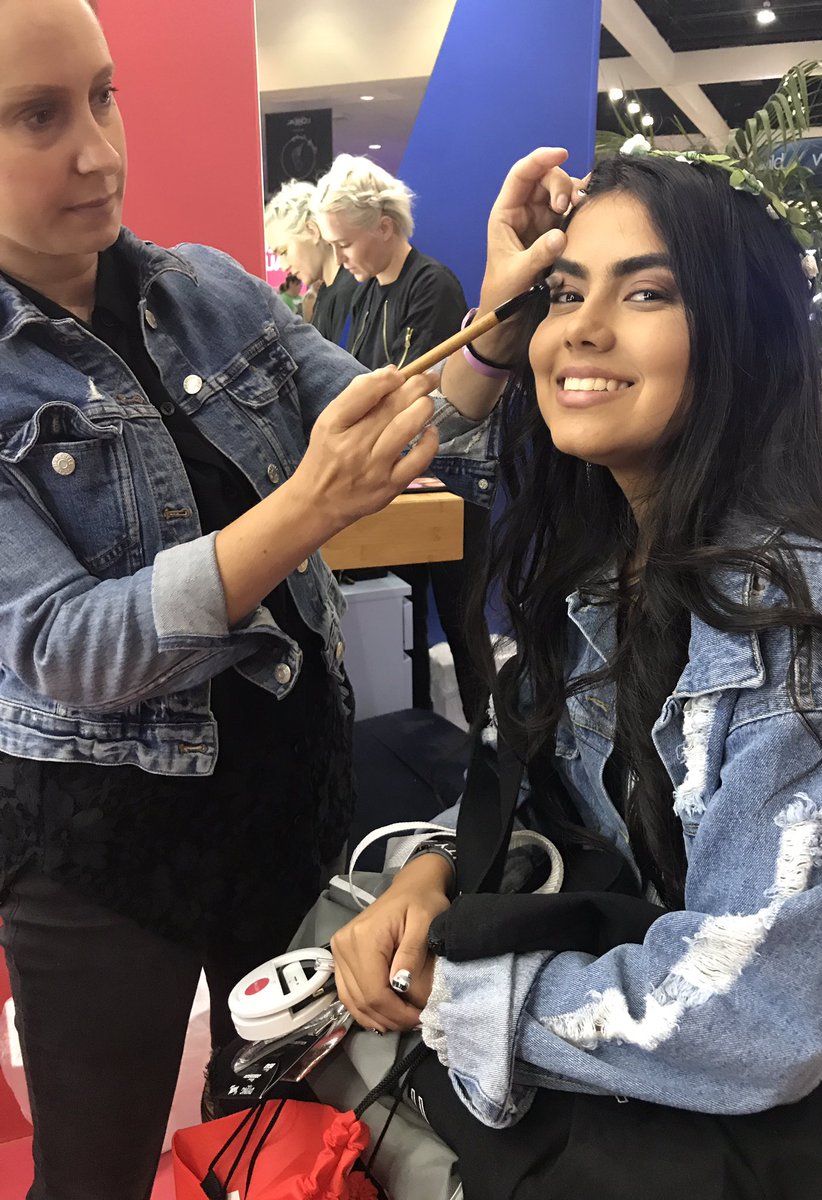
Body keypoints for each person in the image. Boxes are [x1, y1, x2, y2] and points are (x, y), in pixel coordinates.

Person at [330, 146, 822, 1193]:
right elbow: (534, 775)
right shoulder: (607, 564)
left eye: (646, 292)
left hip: (793, 1144)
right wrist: (437, 868)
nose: (581, 329)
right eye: (562, 293)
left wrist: (459, 997)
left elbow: (757, 1017)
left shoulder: (807, 622)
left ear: (742, 334)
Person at [0, 2, 471, 1196]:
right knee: (94, 1169)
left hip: (289, 803)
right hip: (102, 846)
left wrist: (503, 327)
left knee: (286, 1141)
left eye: (103, 96)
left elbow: (391, 416)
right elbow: (65, 647)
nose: (99, 151)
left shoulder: (206, 290)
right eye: (36, 117)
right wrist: (305, 509)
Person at [314, 154, 491, 722]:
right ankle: (421, 732)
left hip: (453, 473)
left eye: (346, 244)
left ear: (384, 227)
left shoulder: (431, 286)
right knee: (407, 614)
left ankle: (493, 752)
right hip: (406, 471)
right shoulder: (365, 293)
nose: (340, 258)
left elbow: (423, 396)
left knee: (463, 625)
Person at [264, 177, 358, 341]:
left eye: (284, 251)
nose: (283, 266)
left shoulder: (349, 294)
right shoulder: (326, 295)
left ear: (312, 230)